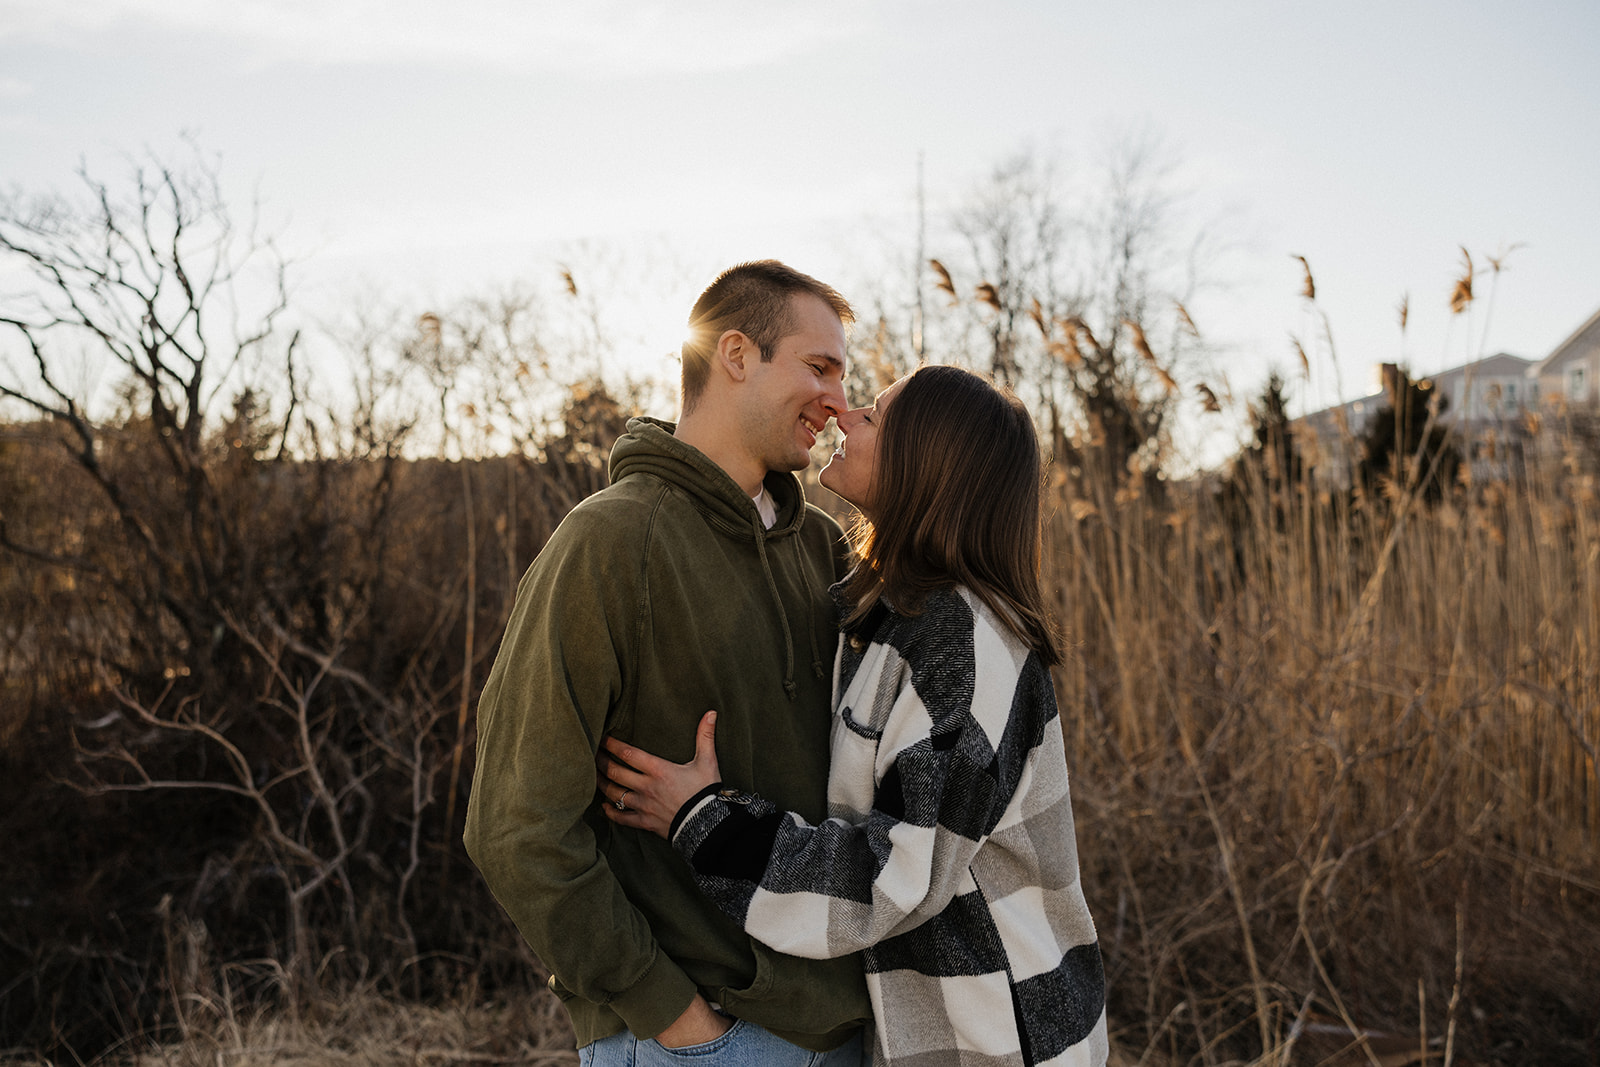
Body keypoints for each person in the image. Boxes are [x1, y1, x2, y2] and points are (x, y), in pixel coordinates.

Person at [597, 364, 1110, 1067]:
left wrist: (703, 820)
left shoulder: (962, 649)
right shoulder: (896, 616)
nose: (846, 413)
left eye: (877, 414)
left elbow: (889, 877)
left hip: (995, 1036)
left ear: (929, 464)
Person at [463, 261, 873, 1066]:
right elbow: (516, 825)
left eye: (842, 374)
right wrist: (670, 1011)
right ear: (734, 354)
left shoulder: (824, 548)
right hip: (702, 1039)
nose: (836, 398)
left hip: (847, 1033)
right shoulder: (608, 542)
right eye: (817, 366)